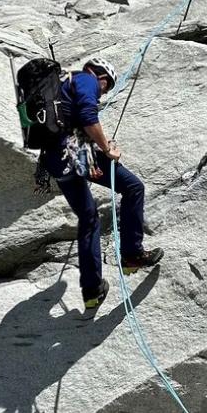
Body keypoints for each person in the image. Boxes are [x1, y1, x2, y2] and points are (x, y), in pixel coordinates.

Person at [42, 57, 163, 310]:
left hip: (55, 159)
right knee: (133, 187)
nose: (102, 93)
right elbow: (88, 115)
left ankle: (92, 291)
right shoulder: (86, 80)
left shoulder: (63, 85)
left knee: (88, 219)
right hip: (77, 153)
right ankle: (131, 255)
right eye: (105, 88)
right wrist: (107, 148)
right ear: (102, 77)